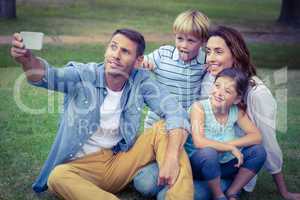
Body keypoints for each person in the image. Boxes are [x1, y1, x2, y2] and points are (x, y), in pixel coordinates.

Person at [10, 28, 194, 200]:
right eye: (113, 47)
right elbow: (48, 76)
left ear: (138, 62)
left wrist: (171, 158)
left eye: (125, 51)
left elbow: (175, 112)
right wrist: (27, 60)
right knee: (57, 176)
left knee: (164, 129)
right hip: (78, 168)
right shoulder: (84, 75)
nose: (116, 55)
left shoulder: (141, 81)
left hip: (116, 161)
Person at [202, 25, 300, 200]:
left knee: (193, 193)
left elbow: (268, 144)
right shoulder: (210, 78)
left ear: (235, 54)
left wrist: (284, 192)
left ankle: (231, 190)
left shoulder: (257, 94)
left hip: (234, 163)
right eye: (208, 51)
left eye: (218, 52)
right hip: (206, 157)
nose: (210, 58)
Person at [131, 9, 210, 197]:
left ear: (203, 42)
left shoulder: (205, 61)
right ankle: (170, 176)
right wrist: (144, 64)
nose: (184, 45)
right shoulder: (163, 54)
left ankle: (183, 185)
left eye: (191, 40)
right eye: (180, 38)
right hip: (156, 127)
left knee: (174, 163)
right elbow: (139, 62)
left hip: (184, 130)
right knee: (144, 182)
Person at [186, 68, 266, 200]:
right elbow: (199, 141)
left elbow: (256, 136)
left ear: (237, 99)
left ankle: (232, 192)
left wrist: (228, 144)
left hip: (224, 164)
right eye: (217, 86)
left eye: (227, 91)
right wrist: (229, 148)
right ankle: (218, 195)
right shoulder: (199, 108)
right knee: (209, 152)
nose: (219, 93)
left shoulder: (236, 111)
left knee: (258, 151)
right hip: (199, 164)